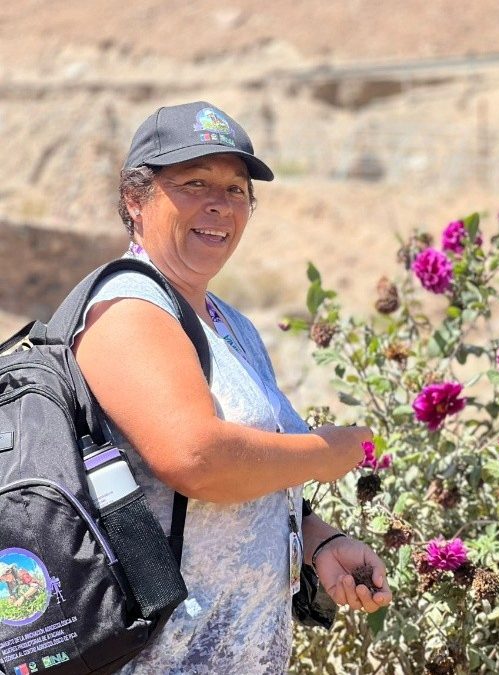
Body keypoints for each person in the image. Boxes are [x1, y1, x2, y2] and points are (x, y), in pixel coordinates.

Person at [71, 101, 392, 673]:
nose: (219, 204)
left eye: (237, 190)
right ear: (134, 200)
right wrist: (326, 453)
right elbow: (199, 459)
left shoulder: (229, 324)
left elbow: (242, 483)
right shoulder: (128, 311)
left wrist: (317, 541)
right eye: (194, 183)